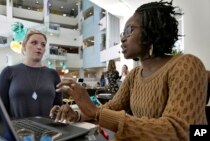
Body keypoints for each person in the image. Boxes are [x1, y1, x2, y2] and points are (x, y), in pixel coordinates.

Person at [49, 1, 208, 140]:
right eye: (122, 33)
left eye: (128, 31)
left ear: (150, 31)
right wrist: (77, 115)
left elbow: (180, 130)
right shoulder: (134, 75)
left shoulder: (186, 64)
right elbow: (110, 109)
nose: (122, 38)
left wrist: (95, 112)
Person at [0, 29, 62, 119]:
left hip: (48, 130)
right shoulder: (9, 72)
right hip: (18, 130)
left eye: (43, 44)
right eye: (34, 43)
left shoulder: (53, 74)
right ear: (24, 46)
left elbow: (58, 108)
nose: (39, 47)